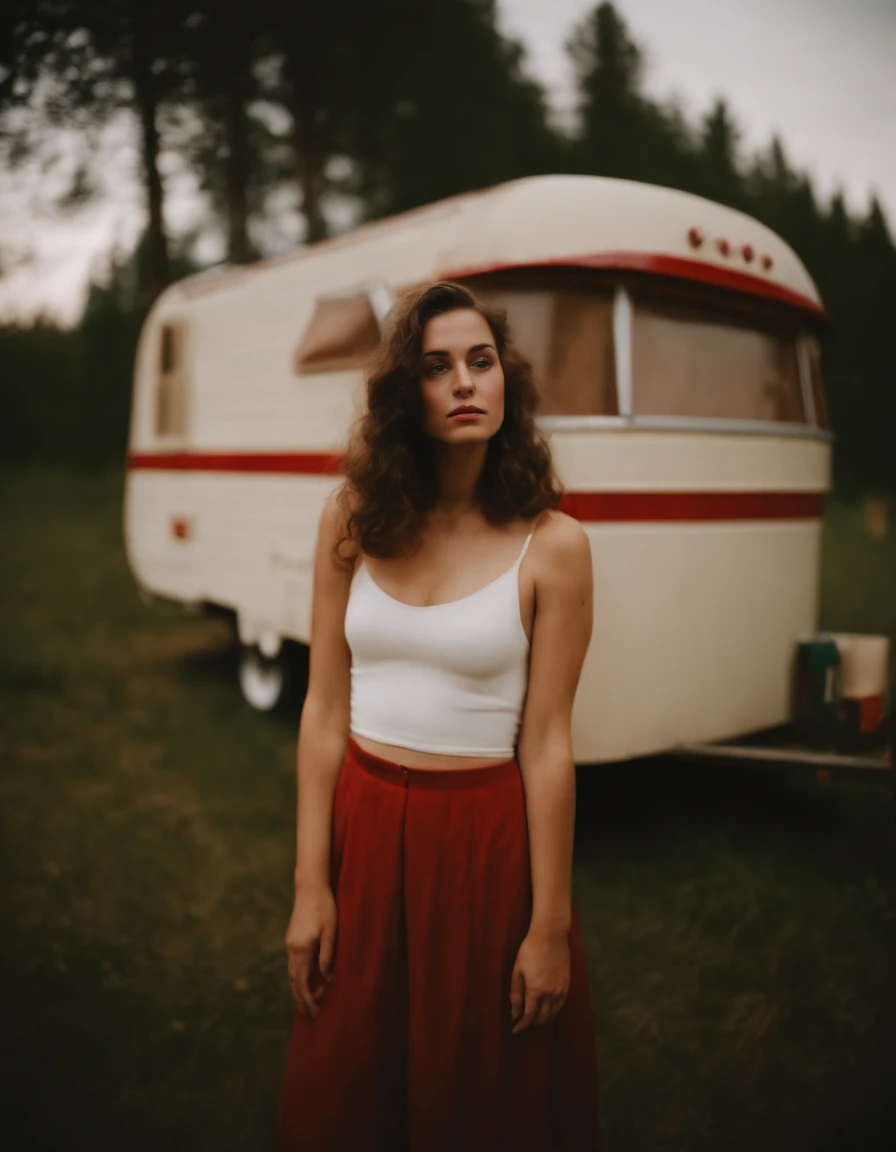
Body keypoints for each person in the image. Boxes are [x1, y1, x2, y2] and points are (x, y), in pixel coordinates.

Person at [276, 281, 600, 1151]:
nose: (464, 382)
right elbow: (323, 709)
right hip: (368, 829)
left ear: (506, 383)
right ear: (402, 395)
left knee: (479, 1099)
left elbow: (548, 745)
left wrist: (550, 924)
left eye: (481, 361)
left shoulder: (555, 545)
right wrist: (313, 885)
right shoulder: (351, 518)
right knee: (353, 1089)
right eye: (437, 366)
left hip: (484, 847)